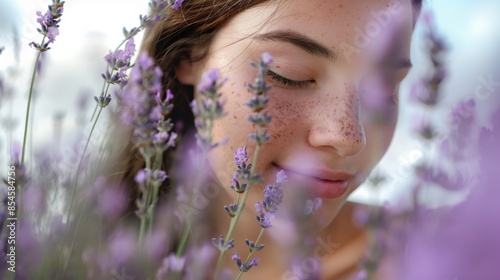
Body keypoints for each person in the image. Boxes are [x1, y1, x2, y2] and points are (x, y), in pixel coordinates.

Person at [115, 0, 422, 279]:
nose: (349, 138)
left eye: (383, 86)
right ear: (188, 56)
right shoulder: (97, 251)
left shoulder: (444, 258)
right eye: (289, 74)